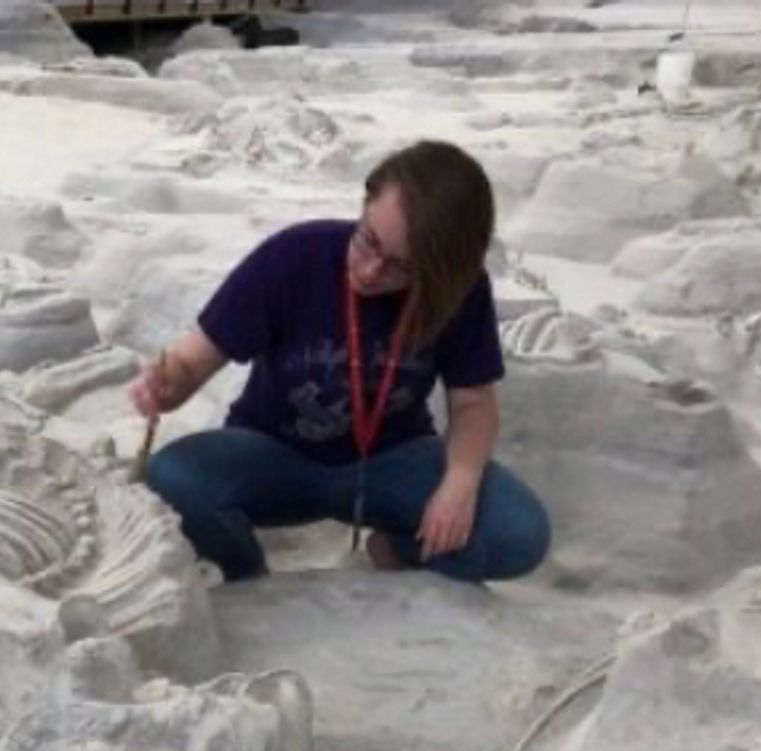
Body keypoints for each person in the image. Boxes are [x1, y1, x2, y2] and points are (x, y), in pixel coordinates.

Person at [130, 140, 551, 585]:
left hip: (393, 456)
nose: (370, 272)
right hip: (272, 450)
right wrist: (165, 384)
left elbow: (473, 404)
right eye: (368, 241)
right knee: (172, 481)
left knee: (519, 534)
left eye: (401, 268)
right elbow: (193, 362)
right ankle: (248, 579)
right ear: (365, 203)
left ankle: (398, 549)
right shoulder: (294, 256)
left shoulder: (459, 290)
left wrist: (459, 485)